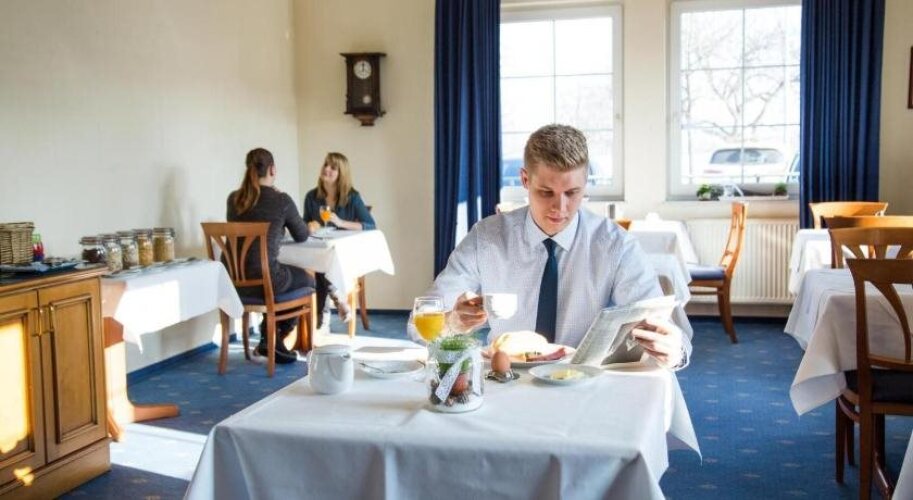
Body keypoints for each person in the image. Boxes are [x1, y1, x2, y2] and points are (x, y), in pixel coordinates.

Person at [427, 124, 690, 369]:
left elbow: (668, 331)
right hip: (505, 377)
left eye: (572, 193)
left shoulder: (616, 245)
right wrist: (452, 322)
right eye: (546, 192)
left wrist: (673, 349)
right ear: (525, 180)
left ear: (585, 183)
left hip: (586, 380)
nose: (560, 208)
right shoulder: (486, 238)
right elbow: (423, 321)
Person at [227, 148, 314, 364]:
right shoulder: (281, 200)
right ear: (272, 170)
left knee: (281, 274)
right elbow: (302, 235)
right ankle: (275, 336)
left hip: (234, 283)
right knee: (309, 278)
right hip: (268, 281)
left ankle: (270, 338)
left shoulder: (233, 199)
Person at [302, 152, 376, 329]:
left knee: (323, 264)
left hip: (346, 256)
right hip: (322, 253)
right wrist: (309, 226)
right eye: (325, 165)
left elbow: (370, 225)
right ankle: (338, 299)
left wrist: (341, 222)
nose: (327, 169)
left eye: (333, 167)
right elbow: (304, 224)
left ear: (341, 173)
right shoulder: (311, 197)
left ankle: (322, 318)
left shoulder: (353, 197)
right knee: (322, 262)